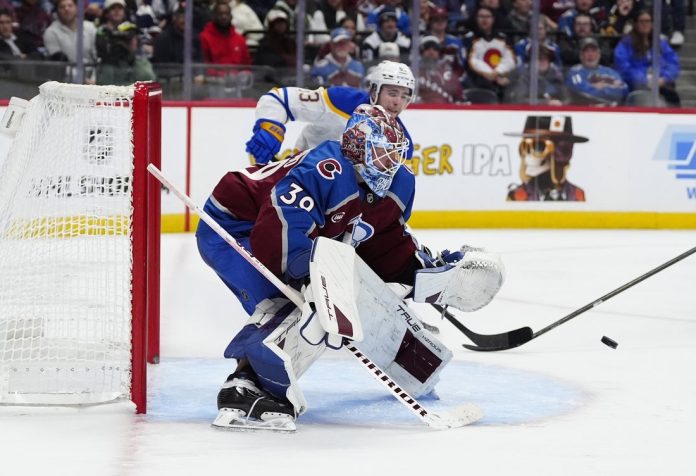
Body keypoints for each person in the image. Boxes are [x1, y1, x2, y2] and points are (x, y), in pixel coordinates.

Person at [197, 104, 472, 429]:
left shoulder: (397, 182)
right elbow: (280, 225)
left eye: (394, 154)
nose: (390, 163)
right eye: (381, 153)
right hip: (234, 225)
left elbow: (381, 240)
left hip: (286, 231)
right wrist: (306, 278)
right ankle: (244, 387)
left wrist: (411, 269)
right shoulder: (325, 169)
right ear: (357, 148)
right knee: (294, 303)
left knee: (325, 292)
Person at [245, 60, 415, 164]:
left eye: (404, 96)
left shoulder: (401, 144)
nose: (397, 102)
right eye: (392, 93)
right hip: (302, 177)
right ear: (374, 91)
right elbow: (279, 99)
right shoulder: (341, 101)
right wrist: (271, 127)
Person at [505, 115, 588, 201]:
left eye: (538, 147)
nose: (528, 156)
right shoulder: (517, 196)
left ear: (560, 153)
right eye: (524, 146)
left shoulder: (577, 195)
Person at [613, 9, 681, 107]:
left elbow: (673, 63)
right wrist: (645, 80)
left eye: (648, 21)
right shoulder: (625, 44)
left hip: (661, 85)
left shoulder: (660, 43)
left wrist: (665, 78)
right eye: (641, 21)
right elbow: (623, 68)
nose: (645, 24)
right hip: (636, 87)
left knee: (672, 97)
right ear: (635, 24)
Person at [565, 37, 628, 105]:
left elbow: (623, 89)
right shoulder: (575, 72)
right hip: (585, 109)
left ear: (599, 54)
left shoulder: (610, 72)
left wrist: (601, 87)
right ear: (581, 55)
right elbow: (579, 90)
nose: (590, 54)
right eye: (587, 51)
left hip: (610, 109)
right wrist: (608, 86)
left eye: (593, 51)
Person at [42, 0, 98, 73]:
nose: (66, 9)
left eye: (70, 6)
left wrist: (94, 76)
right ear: (57, 11)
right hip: (65, 77)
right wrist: (81, 77)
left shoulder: (90, 27)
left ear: (77, 8)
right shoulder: (50, 32)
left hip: (92, 75)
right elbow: (58, 64)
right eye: (62, 7)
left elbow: (96, 55)